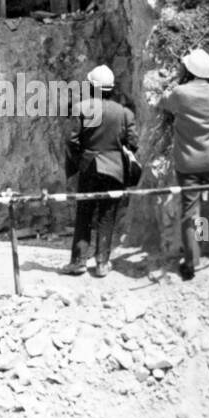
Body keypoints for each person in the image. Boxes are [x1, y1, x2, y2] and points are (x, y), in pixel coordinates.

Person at [63, 64, 138, 277]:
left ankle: (78, 261)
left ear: (91, 86)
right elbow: (133, 143)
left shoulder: (82, 108)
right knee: (107, 215)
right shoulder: (124, 113)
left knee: (84, 213)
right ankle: (102, 263)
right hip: (115, 169)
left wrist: (79, 161)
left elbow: (71, 141)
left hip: (89, 167)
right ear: (112, 88)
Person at [159, 47, 209, 281]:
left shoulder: (181, 93)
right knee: (207, 209)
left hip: (188, 163)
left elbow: (164, 102)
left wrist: (175, 82)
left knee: (191, 212)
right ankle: (206, 246)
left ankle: (192, 260)